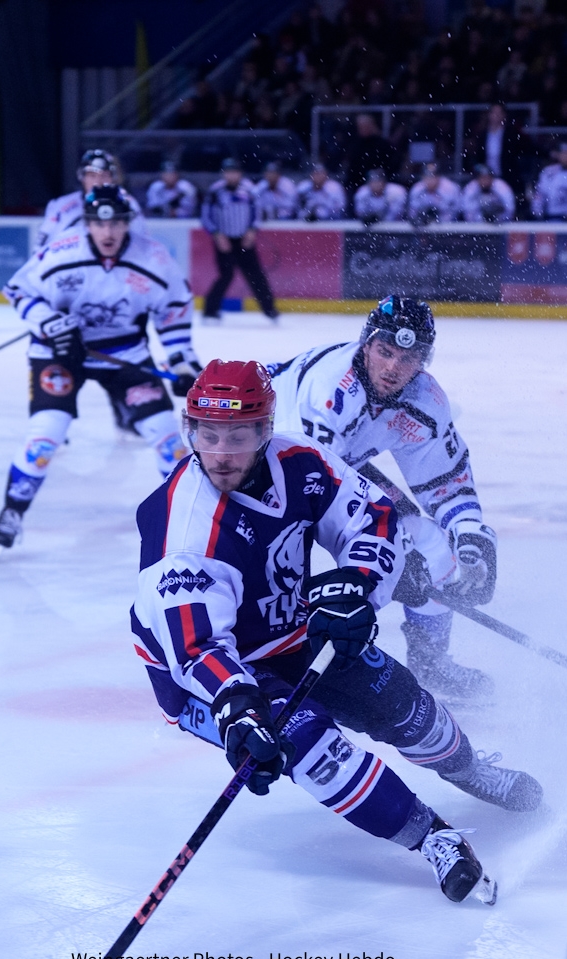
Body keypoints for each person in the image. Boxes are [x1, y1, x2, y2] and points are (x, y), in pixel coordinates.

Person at [131, 359, 503, 907]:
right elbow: (196, 645)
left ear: (264, 430)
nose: (222, 452)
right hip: (207, 675)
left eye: (239, 434)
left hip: (290, 629)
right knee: (307, 743)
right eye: (208, 435)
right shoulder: (180, 528)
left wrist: (356, 584)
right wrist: (237, 707)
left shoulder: (298, 459)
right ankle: (435, 839)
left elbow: (372, 519)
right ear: (190, 432)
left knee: (404, 704)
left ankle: (470, 769)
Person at [269, 295, 502, 702]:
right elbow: (312, 495)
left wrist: (470, 533)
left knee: (434, 546)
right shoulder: (330, 395)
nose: (394, 367)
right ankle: (267, 657)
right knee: (276, 562)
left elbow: (444, 481)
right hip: (256, 457)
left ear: (424, 361)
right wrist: (391, 553)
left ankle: (431, 663)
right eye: (385, 351)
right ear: (366, 345)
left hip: (333, 464)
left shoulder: (425, 403)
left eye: (408, 358)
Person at [0, 186, 202, 552]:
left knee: (166, 435)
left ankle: (189, 517)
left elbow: (174, 311)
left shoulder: (153, 258)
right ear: (87, 223)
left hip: (125, 355)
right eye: (99, 224)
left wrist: (182, 361)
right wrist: (51, 324)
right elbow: (18, 290)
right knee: (46, 434)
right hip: (59, 352)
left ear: (127, 223)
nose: (108, 233)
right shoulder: (61, 251)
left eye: (117, 223)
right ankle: (12, 511)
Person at [201, 158, 278, 323]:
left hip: (244, 240)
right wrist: (217, 235)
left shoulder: (249, 190)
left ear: (240, 174)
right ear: (224, 174)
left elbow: (257, 213)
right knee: (226, 275)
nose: (231, 176)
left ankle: (270, 310)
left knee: (256, 275)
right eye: (228, 172)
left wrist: (252, 231)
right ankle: (210, 311)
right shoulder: (215, 191)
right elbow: (206, 216)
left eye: (234, 172)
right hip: (224, 241)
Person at [34, 149, 146, 249]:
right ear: (82, 178)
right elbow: (41, 247)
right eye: (92, 176)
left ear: (113, 178)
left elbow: (140, 244)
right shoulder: (60, 205)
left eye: (105, 176)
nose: (98, 181)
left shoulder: (128, 203)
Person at [532, 142, 567, 221]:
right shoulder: (549, 172)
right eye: (564, 153)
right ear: (558, 154)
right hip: (552, 216)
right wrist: (537, 212)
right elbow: (540, 194)